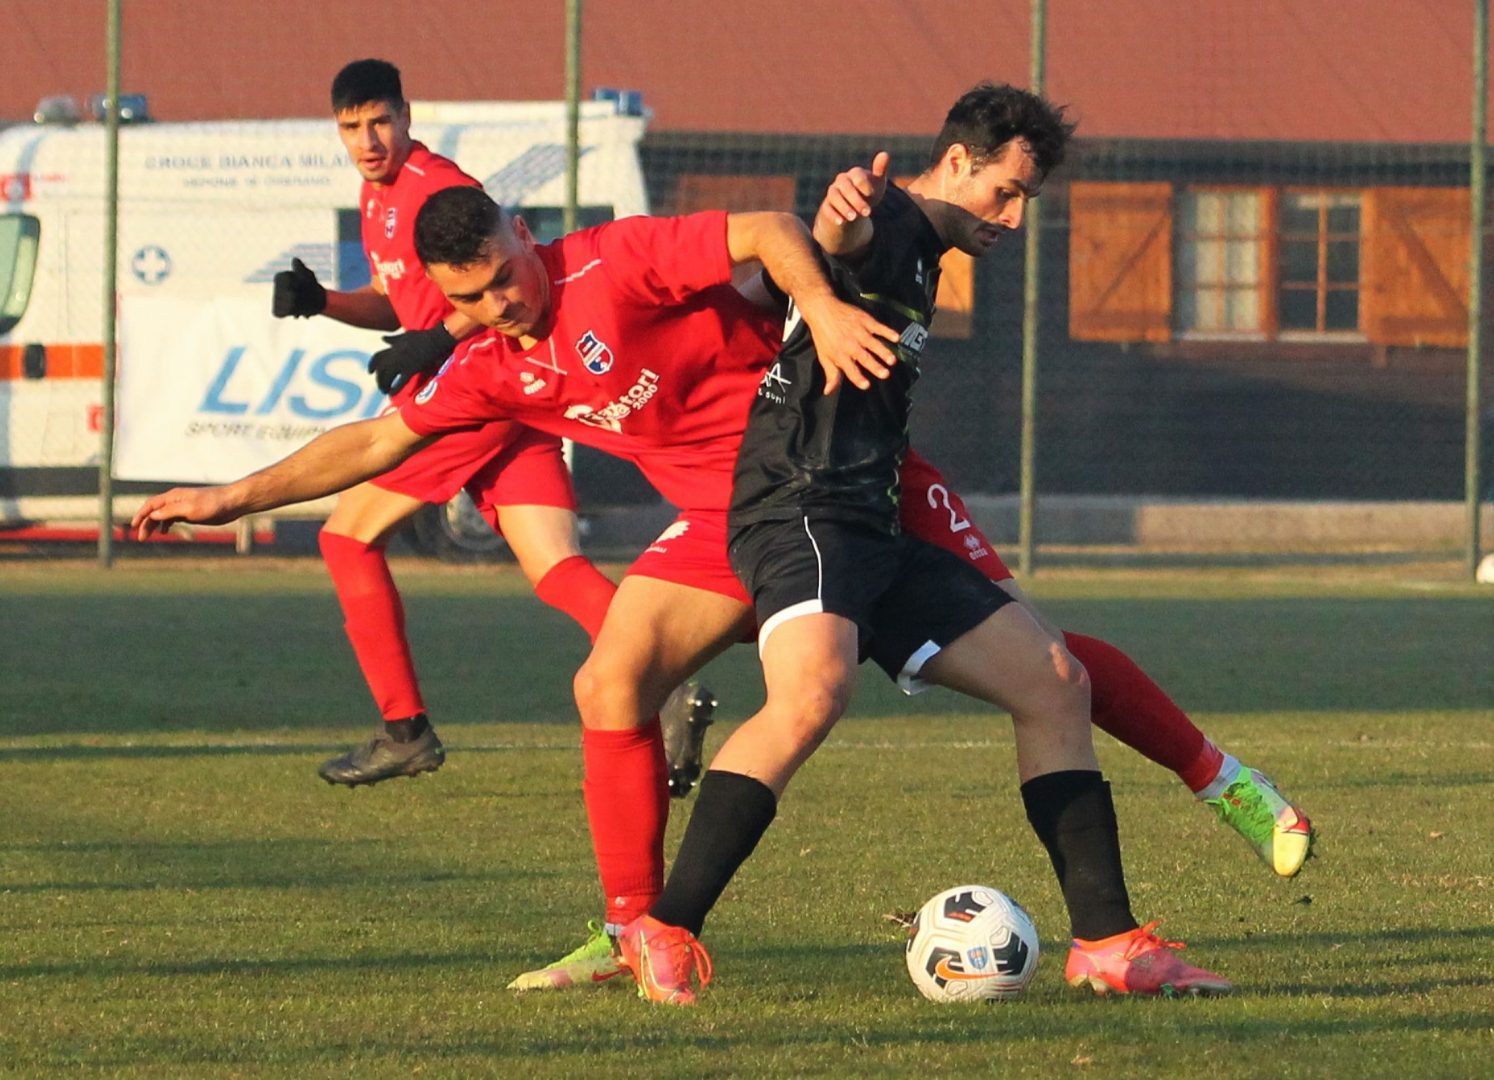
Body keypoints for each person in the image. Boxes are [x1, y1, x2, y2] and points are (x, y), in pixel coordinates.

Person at [134, 179, 1310, 995]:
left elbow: (764, 227)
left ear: (524, 234)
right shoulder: (492, 363)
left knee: (1045, 667)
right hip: (726, 526)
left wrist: (824, 304)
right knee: (611, 682)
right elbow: (373, 443)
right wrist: (229, 496)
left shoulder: (613, 261)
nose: (501, 304)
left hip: (850, 480)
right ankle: (634, 931)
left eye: (504, 276)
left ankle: (1216, 785)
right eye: (473, 299)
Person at [617, 82, 1236, 1005]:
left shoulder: (929, 253)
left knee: (1055, 680)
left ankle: (1110, 945)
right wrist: (842, 220)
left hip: (872, 522)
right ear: (955, 162)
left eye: (1027, 200)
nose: (1014, 217)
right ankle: (664, 928)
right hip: (801, 507)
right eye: (1005, 192)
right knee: (812, 695)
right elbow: (843, 240)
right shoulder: (895, 225)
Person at [271, 59, 618, 786]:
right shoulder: (377, 196)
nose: (368, 140)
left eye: (380, 122)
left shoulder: (438, 186)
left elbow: (501, 276)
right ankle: (667, 678)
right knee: (555, 567)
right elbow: (394, 302)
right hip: (497, 389)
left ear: (406, 115)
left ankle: (405, 731)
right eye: (351, 127)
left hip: (470, 390)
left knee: (346, 538)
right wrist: (323, 300)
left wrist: (440, 339)